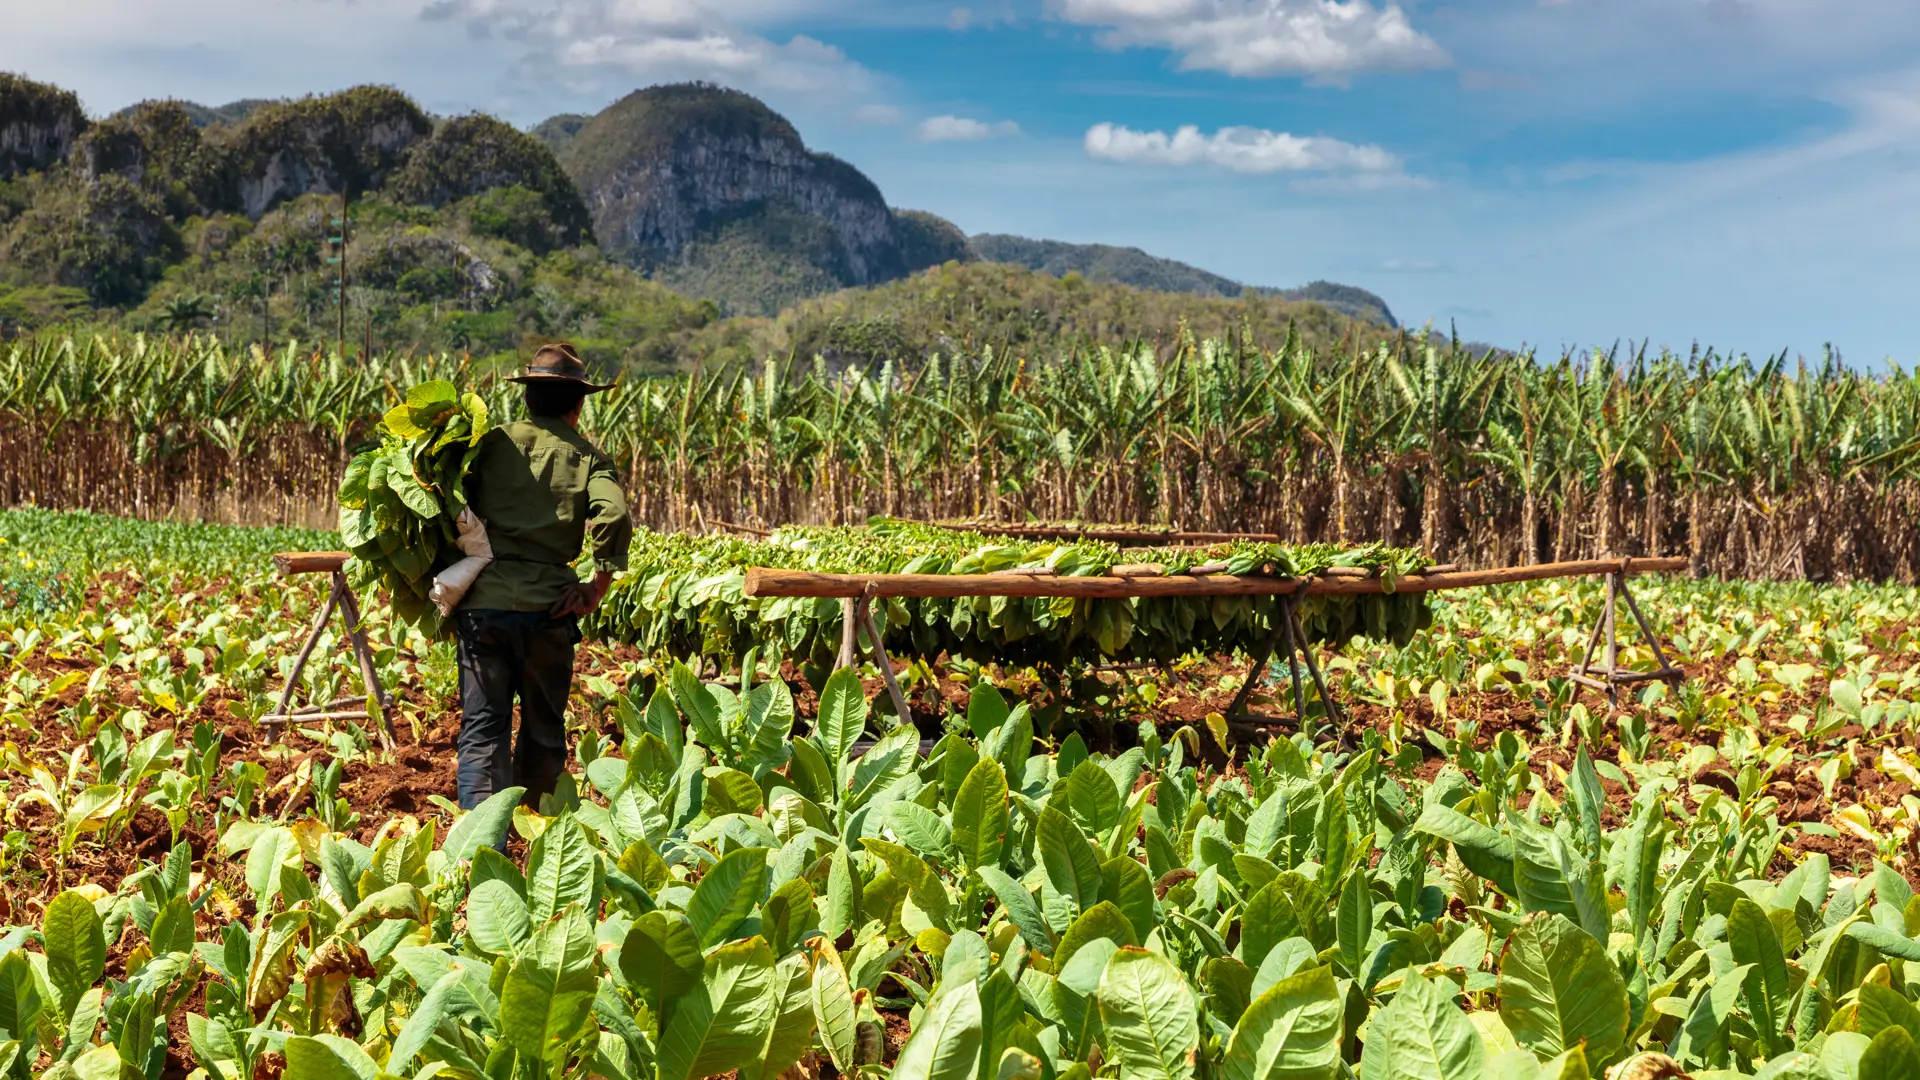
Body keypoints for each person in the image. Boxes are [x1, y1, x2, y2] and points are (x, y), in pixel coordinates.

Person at [454, 342, 631, 810]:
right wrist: (597, 586)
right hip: (548, 613)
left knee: (482, 731)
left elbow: (445, 505)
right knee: (542, 732)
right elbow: (613, 515)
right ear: (578, 404)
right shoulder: (588, 457)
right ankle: (537, 846)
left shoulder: (488, 446)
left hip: (483, 607)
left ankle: (480, 850)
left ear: (527, 398)